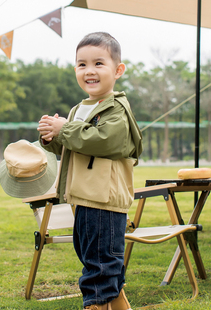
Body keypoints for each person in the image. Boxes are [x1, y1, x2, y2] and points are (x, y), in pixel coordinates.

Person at [37, 32, 142, 310]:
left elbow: (107, 141)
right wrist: (53, 137)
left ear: (117, 70)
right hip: (83, 197)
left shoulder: (116, 108)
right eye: (82, 64)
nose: (89, 71)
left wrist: (66, 130)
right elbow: (74, 149)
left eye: (98, 63)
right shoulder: (78, 109)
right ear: (75, 69)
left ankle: (95, 304)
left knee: (99, 267)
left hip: (105, 199)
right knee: (94, 257)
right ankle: (117, 302)